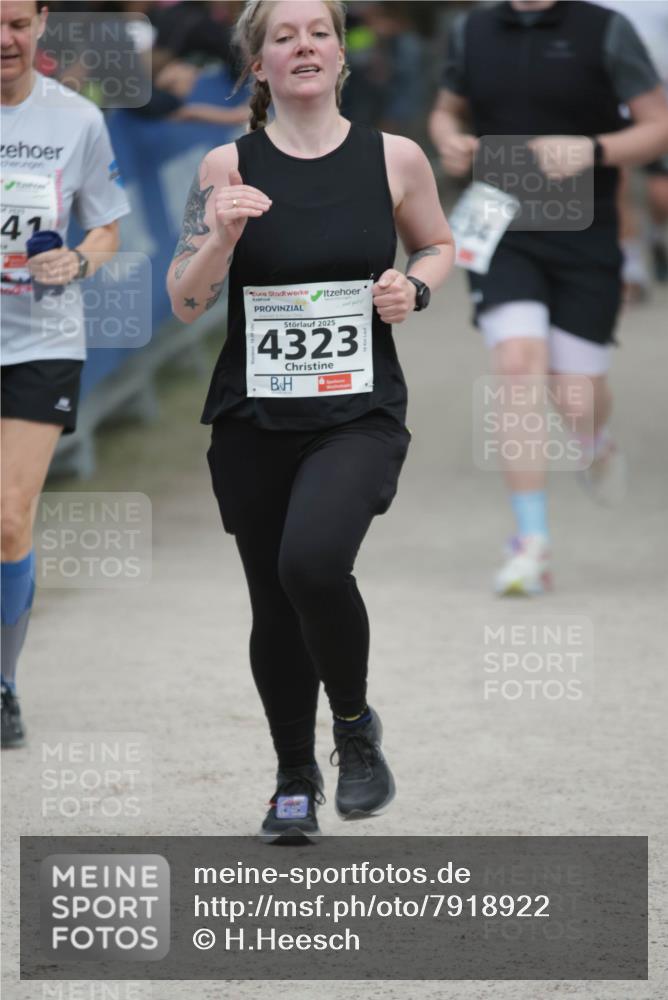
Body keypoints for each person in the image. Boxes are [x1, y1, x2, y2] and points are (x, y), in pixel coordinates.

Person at [167, 0, 454, 843]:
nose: (303, 46)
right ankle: (293, 778)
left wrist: (417, 285)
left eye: (318, 32)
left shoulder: (394, 158)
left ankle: (356, 732)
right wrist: (218, 237)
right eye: (281, 37)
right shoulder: (225, 165)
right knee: (272, 600)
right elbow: (186, 301)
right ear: (257, 66)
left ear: (340, 54)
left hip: (358, 413)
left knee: (314, 563)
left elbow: (437, 245)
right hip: (255, 416)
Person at [429, 0, 668, 596]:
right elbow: (445, 111)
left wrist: (594, 149)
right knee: (516, 365)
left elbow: (658, 125)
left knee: (575, 396)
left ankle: (594, 442)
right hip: (499, 221)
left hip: (583, 228)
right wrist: (451, 141)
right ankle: (530, 542)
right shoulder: (472, 29)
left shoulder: (606, 29)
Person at [1, 1, 130, 746]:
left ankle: (4, 681)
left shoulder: (76, 120)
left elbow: (107, 226)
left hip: (41, 339)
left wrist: (79, 259)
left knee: (9, 516)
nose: (4, 38)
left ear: (42, 22)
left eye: (17, 21)